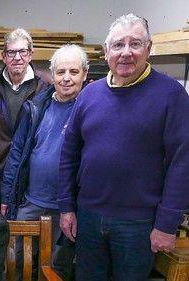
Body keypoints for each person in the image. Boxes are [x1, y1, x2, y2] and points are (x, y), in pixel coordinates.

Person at [58, 14, 189, 280]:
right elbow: (69, 154)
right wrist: (66, 207)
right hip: (89, 217)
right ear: (106, 51)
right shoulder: (89, 95)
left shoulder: (171, 95)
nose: (126, 52)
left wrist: (167, 224)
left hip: (139, 224)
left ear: (149, 49)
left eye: (135, 44)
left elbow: (182, 161)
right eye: (118, 45)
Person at [1, 44, 89, 280]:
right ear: (52, 74)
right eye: (60, 72)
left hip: (68, 211)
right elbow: (17, 154)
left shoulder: (91, 109)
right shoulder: (36, 107)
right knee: (16, 265)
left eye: (74, 71)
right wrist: (7, 199)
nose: (67, 79)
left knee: (55, 270)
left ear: (85, 74)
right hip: (29, 203)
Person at [0, 28, 50, 209]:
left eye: (22, 51)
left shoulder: (44, 86)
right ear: (3, 56)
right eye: (11, 52)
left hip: (29, 172)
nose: (17, 57)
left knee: (24, 229)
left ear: (31, 55)